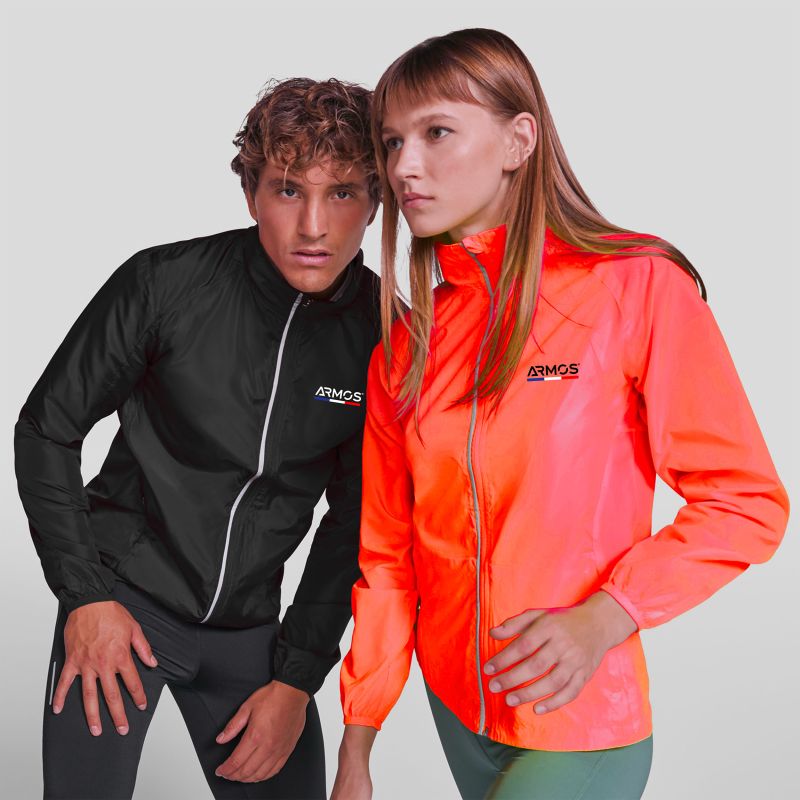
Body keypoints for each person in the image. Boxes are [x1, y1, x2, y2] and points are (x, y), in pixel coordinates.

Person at [332, 28, 790, 800]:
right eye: (393, 141)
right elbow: (387, 561)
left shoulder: (634, 287)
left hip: (580, 722)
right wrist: (358, 741)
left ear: (520, 140)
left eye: (437, 132)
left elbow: (745, 503)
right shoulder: (405, 351)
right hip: (459, 713)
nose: (404, 166)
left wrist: (608, 615)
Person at [14, 77, 381, 799]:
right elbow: (47, 428)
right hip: (123, 604)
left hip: (253, 635)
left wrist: (297, 679)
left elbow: (358, 521)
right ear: (250, 194)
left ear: (375, 202)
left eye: (341, 193)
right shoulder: (165, 283)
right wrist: (84, 596)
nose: (313, 225)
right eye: (287, 190)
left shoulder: (385, 338)